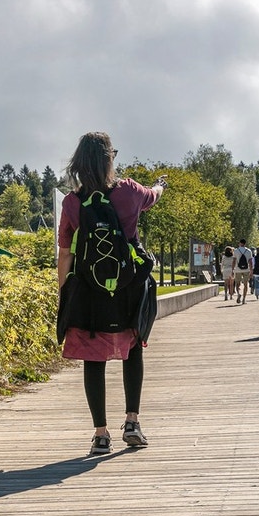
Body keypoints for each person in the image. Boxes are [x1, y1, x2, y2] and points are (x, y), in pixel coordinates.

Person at [56, 132, 165, 457]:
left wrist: (64, 292)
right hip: (128, 287)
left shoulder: (73, 203)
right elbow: (153, 196)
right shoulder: (129, 191)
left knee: (93, 357)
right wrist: (160, 185)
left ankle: (101, 435)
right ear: (109, 160)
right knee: (133, 349)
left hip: (90, 290)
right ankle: (132, 422)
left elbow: (65, 253)